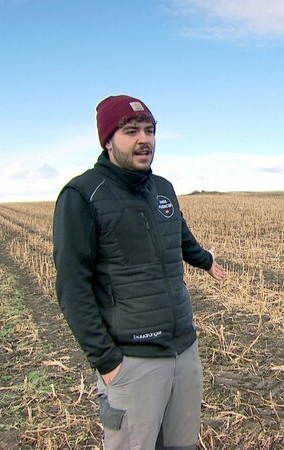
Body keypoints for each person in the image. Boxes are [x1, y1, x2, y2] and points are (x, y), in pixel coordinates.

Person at [52, 94, 225, 450]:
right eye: (131, 131)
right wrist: (108, 362)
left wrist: (205, 260)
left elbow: (179, 235)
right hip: (133, 360)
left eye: (149, 129)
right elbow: (72, 288)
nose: (144, 139)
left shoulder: (162, 189)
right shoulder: (82, 195)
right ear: (108, 140)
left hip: (183, 349)